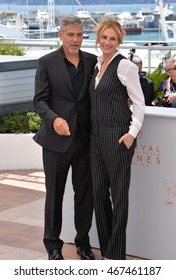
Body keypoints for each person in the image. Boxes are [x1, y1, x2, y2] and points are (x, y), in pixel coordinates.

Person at [33, 15, 97, 260]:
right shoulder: (46, 62)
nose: (76, 39)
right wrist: (54, 119)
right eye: (71, 34)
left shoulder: (92, 61)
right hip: (55, 141)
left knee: (84, 195)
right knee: (54, 195)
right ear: (60, 35)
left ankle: (83, 243)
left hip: (84, 140)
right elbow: (39, 101)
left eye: (80, 34)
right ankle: (53, 246)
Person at [89, 16, 145, 260]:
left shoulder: (126, 67)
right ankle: (106, 251)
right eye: (104, 37)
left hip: (118, 137)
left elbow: (140, 104)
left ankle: (116, 256)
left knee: (119, 197)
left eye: (113, 39)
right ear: (99, 38)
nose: (108, 42)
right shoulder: (97, 64)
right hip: (96, 138)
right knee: (99, 193)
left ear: (119, 41)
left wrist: (131, 134)